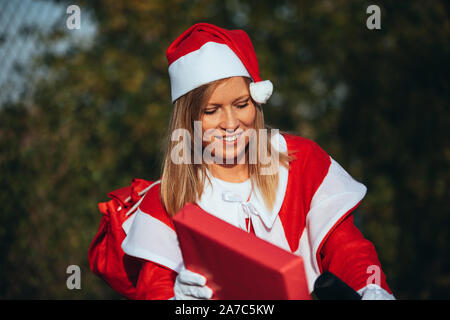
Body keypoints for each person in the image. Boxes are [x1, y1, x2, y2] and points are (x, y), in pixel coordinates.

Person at [119, 23, 395, 300]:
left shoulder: (302, 162)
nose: (230, 123)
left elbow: (347, 248)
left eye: (241, 105)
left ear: (256, 103)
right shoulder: (165, 200)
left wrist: (370, 288)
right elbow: (155, 289)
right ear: (187, 120)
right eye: (212, 111)